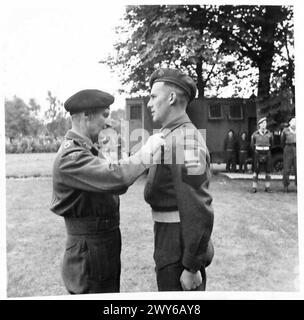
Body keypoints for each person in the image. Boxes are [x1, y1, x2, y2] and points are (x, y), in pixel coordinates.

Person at [50, 89, 164, 294]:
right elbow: (115, 177)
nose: (107, 122)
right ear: (86, 115)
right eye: (104, 114)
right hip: (89, 249)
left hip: (101, 244)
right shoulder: (71, 156)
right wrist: (146, 152)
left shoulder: (86, 150)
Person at [144, 68, 214, 291]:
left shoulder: (185, 140)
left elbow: (198, 207)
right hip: (170, 241)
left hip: (178, 247)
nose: (149, 103)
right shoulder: (172, 135)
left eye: (154, 96)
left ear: (171, 98)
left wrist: (191, 266)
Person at [250, 117, 273, 193]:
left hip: (267, 153)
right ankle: (254, 187)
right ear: (259, 125)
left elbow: (272, 144)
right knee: (256, 170)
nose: (264, 125)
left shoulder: (270, 134)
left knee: (268, 170)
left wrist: (267, 150)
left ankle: (267, 187)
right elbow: (252, 145)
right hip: (257, 153)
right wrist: (257, 150)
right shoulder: (254, 134)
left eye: (265, 123)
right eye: (262, 124)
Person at [281, 116, 296, 192]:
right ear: (290, 123)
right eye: (293, 121)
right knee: (287, 168)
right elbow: (282, 141)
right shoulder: (285, 130)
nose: (294, 123)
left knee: (298, 168)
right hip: (288, 148)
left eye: (296, 122)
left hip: (297, 148)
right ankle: (286, 185)